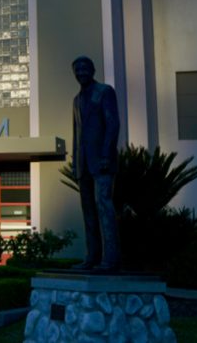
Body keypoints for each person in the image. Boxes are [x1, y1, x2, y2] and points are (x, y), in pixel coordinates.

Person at [70, 56, 121, 273]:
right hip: (84, 165)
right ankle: (92, 257)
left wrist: (106, 155)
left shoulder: (105, 91)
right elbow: (76, 135)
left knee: (104, 208)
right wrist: (75, 163)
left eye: (84, 68)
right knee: (88, 212)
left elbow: (113, 124)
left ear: (92, 70)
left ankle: (110, 260)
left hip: (102, 163)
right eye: (77, 69)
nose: (81, 72)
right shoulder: (76, 99)